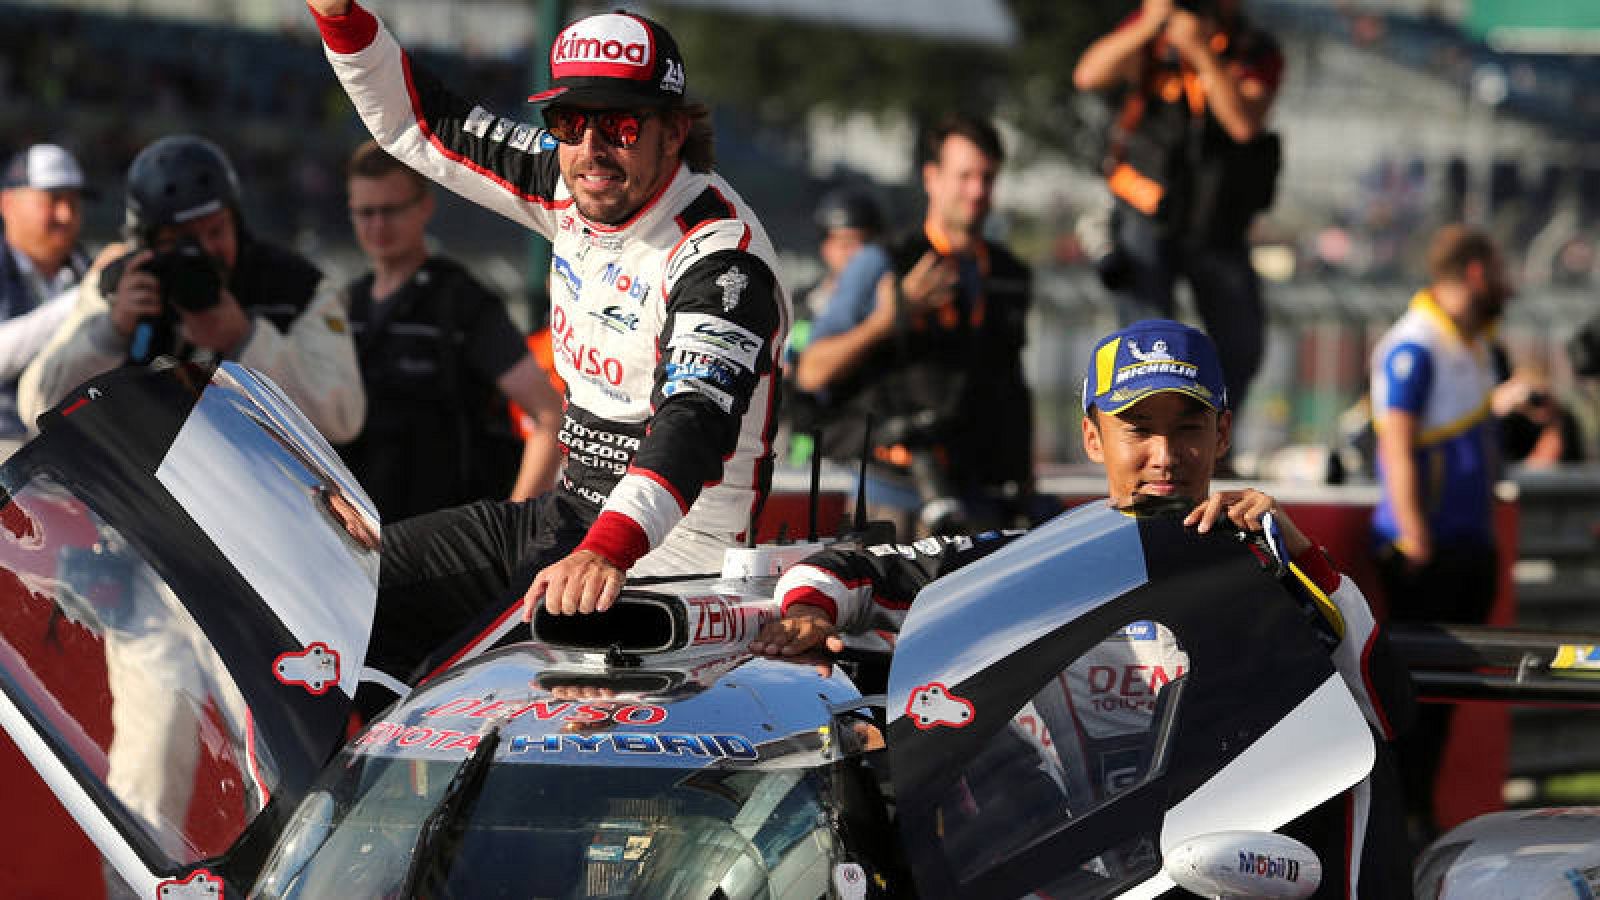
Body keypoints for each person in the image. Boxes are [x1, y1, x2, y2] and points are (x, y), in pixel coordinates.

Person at [754, 319, 1415, 898]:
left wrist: (1303, 555)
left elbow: (1386, 710)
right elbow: (851, 568)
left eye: (1188, 427)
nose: (1165, 456)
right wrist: (812, 614)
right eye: (1138, 429)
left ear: (1222, 436)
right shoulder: (1036, 562)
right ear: (1094, 439)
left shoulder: (1270, 564)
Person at [308, 1, 788, 676]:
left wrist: (608, 548)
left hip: (670, 565)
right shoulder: (568, 178)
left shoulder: (721, 257)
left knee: (474, 691)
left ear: (674, 132)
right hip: (568, 518)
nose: (591, 149)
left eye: (621, 124)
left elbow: (694, 423)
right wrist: (341, 17)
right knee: (343, 575)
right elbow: (419, 122)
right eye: (568, 121)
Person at [18, 135, 364, 443]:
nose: (203, 252)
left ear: (237, 222)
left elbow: (343, 418)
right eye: (182, 241)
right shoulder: (120, 283)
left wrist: (245, 341)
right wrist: (110, 333)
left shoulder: (296, 287)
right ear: (146, 242)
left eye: (216, 232)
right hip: (138, 493)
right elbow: (37, 405)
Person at [793, 113, 1034, 536]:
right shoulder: (881, 262)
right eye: (964, 176)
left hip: (977, 496)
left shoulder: (1008, 274)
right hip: (891, 494)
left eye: (988, 178)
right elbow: (811, 372)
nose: (977, 191)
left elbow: (1013, 386)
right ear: (932, 178)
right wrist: (889, 318)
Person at [1073, 0, 1283, 418]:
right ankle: (1147, 436)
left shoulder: (1254, 50)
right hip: (1147, 209)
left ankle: (1214, 441)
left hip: (1218, 219)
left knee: (1240, 341)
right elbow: (1089, 75)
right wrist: (1151, 23)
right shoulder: (1153, 34)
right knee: (1147, 339)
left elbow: (1243, 124)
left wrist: (1201, 53)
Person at [1370, 223, 1510, 843]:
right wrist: (1413, 534)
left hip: (1468, 543)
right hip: (1425, 551)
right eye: (1500, 269)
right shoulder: (1416, 343)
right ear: (1476, 271)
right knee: (1414, 699)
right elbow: (1395, 443)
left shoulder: (1473, 344)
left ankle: (1421, 817)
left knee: (1447, 702)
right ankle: (1402, 823)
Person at [337, 140, 563, 522]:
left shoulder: (461, 304)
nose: (377, 225)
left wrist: (509, 536)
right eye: (365, 212)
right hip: (352, 541)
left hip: (438, 548)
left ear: (424, 206)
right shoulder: (345, 304)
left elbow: (550, 417)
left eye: (390, 210)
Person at [782, 185, 886, 467]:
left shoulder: (885, 312)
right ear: (826, 247)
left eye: (867, 245)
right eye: (847, 244)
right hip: (802, 453)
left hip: (858, 456)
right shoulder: (798, 305)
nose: (859, 257)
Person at [0, 144, 94, 450]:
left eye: (74, 202)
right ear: (8, 203)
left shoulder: (91, 271)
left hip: (76, 450)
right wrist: (87, 299)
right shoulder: (92, 283)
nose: (66, 215)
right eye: (53, 200)